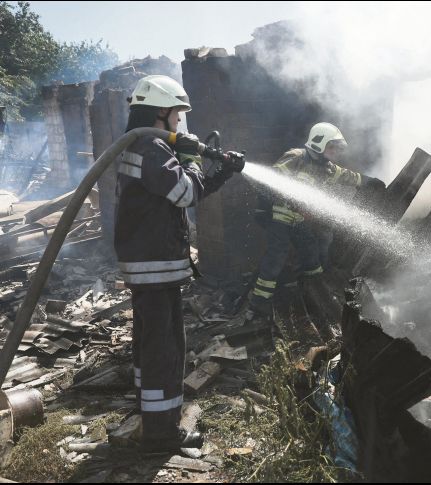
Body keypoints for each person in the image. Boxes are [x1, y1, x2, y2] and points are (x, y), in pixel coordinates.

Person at [114, 75, 243, 454]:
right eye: (177, 114)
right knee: (164, 348)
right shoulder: (151, 147)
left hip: (151, 265)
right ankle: (160, 434)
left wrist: (222, 171)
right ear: (161, 112)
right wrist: (191, 158)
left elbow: (189, 191)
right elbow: (185, 192)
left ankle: (150, 414)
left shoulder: (143, 145)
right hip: (154, 264)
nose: (180, 122)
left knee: (151, 343)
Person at [248, 122, 384, 339]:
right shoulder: (296, 157)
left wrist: (371, 182)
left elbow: (348, 176)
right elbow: (270, 180)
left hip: (298, 220)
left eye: (337, 148)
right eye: (332, 147)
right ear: (318, 142)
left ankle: (314, 293)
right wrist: (274, 203)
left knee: (311, 253)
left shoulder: (328, 168)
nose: (336, 152)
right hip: (279, 217)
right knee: (276, 256)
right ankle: (258, 303)